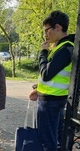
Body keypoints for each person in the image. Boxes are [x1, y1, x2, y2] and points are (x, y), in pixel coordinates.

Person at [29, 10, 75, 151]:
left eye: (47, 30)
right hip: (51, 99)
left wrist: (43, 53)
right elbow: (53, 76)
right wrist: (39, 88)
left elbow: (46, 74)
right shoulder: (60, 47)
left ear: (58, 27)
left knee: (48, 141)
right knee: (52, 138)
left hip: (51, 102)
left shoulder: (65, 49)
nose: (45, 34)